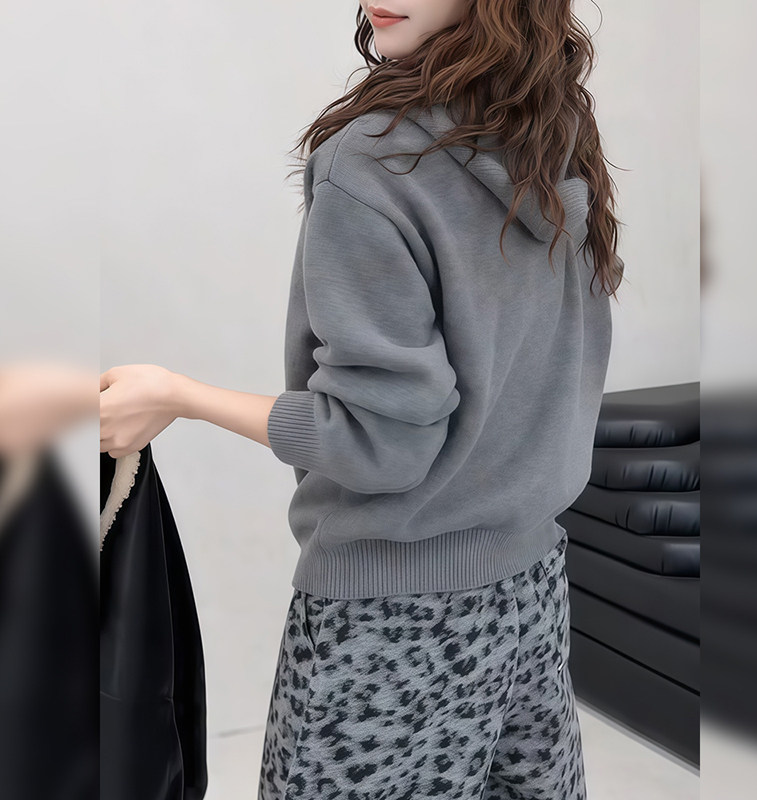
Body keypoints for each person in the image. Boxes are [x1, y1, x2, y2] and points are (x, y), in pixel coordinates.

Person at [100, 1, 625, 797]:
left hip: (390, 626)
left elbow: (379, 443)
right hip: (533, 595)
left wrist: (179, 395)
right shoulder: (548, 131)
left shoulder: (373, 163)